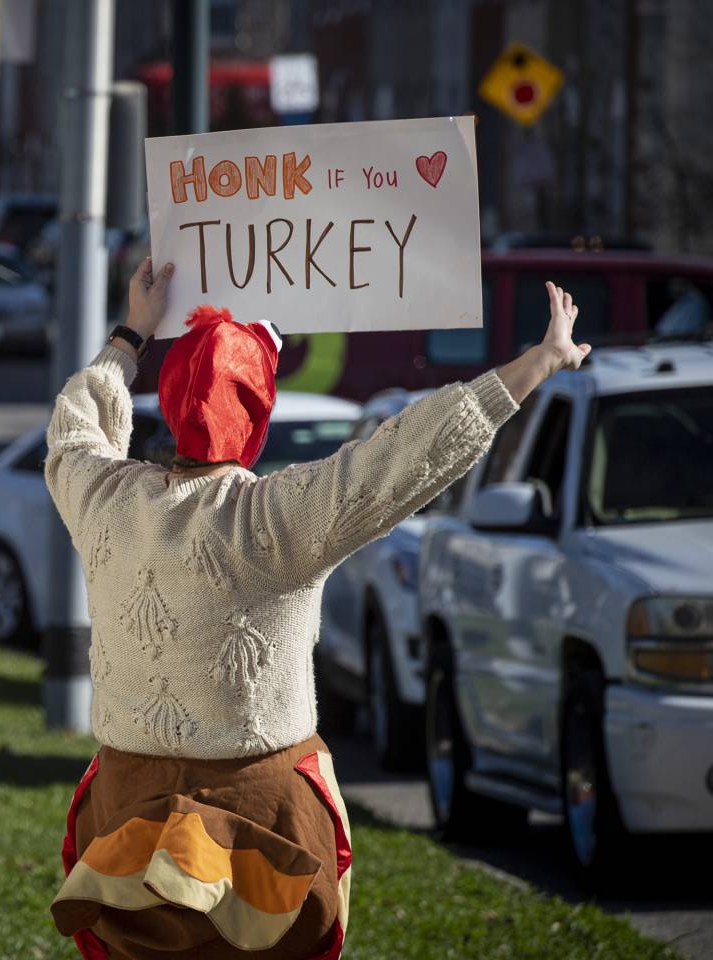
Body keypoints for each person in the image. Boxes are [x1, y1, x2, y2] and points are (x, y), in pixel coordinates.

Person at [46, 259, 588, 960]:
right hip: (261, 830)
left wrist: (131, 333)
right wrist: (540, 363)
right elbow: (410, 452)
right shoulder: (275, 519)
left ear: (173, 406)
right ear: (259, 409)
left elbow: (75, 429)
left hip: (122, 819)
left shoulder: (108, 504)